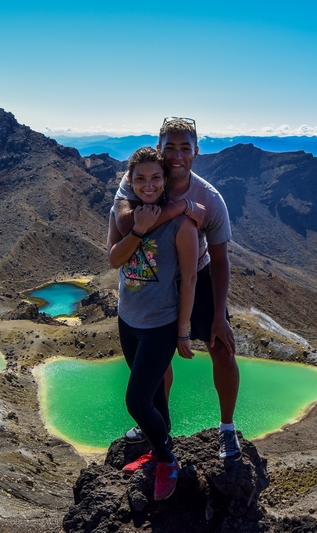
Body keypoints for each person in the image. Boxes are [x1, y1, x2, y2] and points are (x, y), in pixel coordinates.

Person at [113, 117, 241, 460]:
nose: (177, 155)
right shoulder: (140, 178)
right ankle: (156, 421)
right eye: (170, 147)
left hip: (193, 277)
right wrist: (180, 207)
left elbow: (220, 260)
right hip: (154, 280)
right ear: (159, 148)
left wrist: (218, 315)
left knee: (222, 348)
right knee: (157, 357)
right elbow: (124, 220)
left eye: (185, 148)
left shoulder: (209, 199)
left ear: (196, 152)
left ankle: (227, 428)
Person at [107, 146, 199, 501]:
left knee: (136, 401)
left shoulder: (181, 225)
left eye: (156, 178)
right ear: (130, 181)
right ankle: (158, 448)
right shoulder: (122, 213)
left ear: (165, 181)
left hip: (160, 326)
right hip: (127, 320)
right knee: (155, 395)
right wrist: (138, 232)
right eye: (141, 178)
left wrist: (182, 331)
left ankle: (166, 460)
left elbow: (189, 280)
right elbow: (115, 259)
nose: (148, 185)